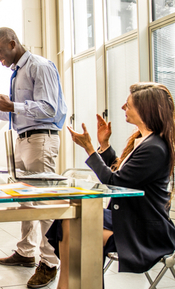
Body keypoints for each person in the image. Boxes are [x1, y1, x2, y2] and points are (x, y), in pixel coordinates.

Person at [52, 82, 175, 289]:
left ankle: (75, 286)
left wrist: (90, 149)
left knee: (80, 231)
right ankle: (66, 286)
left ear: (145, 110)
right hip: (131, 218)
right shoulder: (144, 140)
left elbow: (114, 182)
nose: (122, 108)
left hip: (145, 230)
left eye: (128, 105)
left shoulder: (155, 148)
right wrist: (104, 146)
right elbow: (125, 174)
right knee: (68, 219)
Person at [0, 27, 67, 288]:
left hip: (41, 139)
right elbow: (20, 114)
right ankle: (26, 252)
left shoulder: (40, 66)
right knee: (26, 200)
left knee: (46, 204)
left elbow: (50, 108)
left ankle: (50, 262)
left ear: (12, 44)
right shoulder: (18, 72)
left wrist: (13, 105)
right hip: (24, 139)